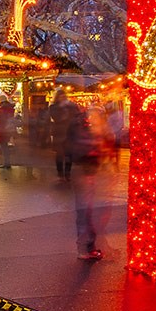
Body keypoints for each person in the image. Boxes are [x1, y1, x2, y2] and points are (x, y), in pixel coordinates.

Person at [60, 95, 104, 260]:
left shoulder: (72, 124)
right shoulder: (83, 125)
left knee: (82, 210)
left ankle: (84, 247)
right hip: (85, 170)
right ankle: (87, 248)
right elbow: (86, 147)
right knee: (86, 210)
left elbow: (68, 148)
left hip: (78, 169)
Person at [47, 90, 78, 182]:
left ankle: (67, 173)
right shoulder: (53, 107)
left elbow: (76, 115)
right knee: (60, 154)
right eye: (61, 96)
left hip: (69, 133)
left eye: (64, 96)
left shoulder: (71, 106)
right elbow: (56, 117)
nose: (63, 98)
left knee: (69, 154)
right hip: (59, 134)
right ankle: (60, 173)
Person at [0, 97, 18, 170]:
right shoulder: (10, 110)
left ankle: (6, 163)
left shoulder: (2, 110)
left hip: (1, 130)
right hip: (7, 130)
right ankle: (7, 162)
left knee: (4, 148)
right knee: (5, 147)